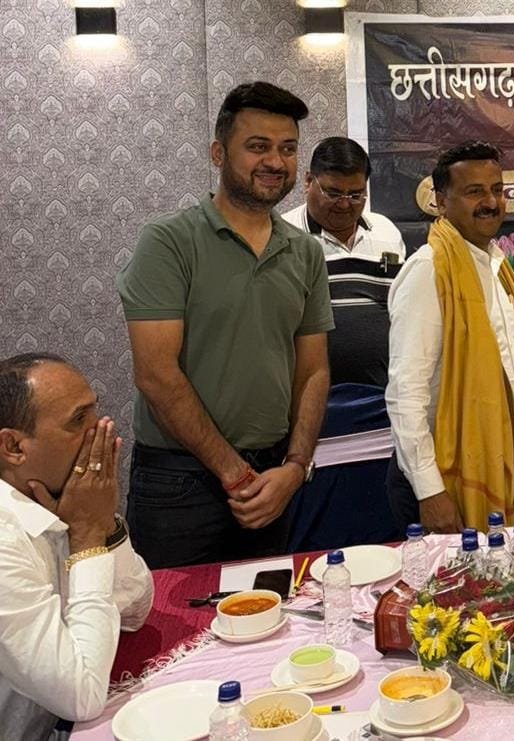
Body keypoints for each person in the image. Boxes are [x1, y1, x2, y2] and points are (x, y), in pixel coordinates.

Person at [116, 82, 333, 568]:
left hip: (273, 477)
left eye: (288, 149)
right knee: (174, 614)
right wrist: (233, 472)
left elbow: (314, 371)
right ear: (218, 153)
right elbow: (155, 374)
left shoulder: (305, 252)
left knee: (271, 609)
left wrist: (296, 467)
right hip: (179, 481)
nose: (275, 161)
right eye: (258, 146)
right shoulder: (168, 241)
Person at [386, 141, 514, 533]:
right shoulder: (430, 270)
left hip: (499, 461)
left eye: (497, 190)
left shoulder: (497, 267)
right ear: (441, 202)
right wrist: (430, 492)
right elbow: (406, 393)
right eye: (475, 192)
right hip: (441, 480)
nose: (490, 202)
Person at [0, 353, 153, 741]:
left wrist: (102, 525)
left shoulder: (53, 501)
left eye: (94, 412)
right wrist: (86, 537)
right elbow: (81, 696)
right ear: (13, 447)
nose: (101, 430)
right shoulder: (4, 541)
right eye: (78, 420)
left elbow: (135, 611)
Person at [283, 136, 407, 387]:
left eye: (355, 194)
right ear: (308, 181)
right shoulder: (283, 237)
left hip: (383, 393)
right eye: (333, 193)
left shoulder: (387, 232)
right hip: (308, 392)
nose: (343, 204)